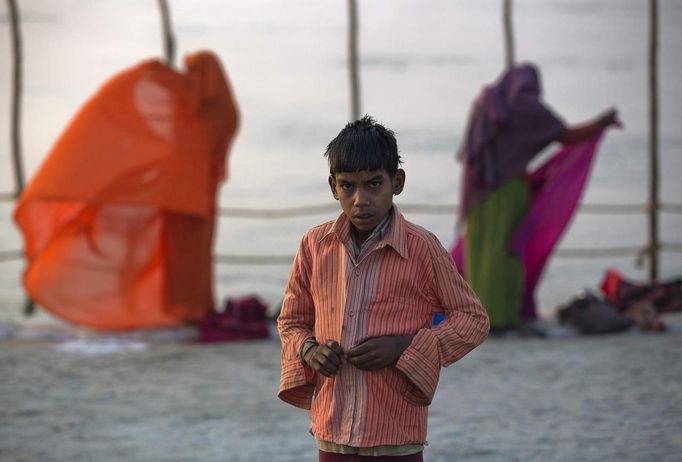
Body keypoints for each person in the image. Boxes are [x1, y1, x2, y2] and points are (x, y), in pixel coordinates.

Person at [277, 116, 489, 461]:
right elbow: (291, 322)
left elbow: (472, 319)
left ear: (397, 182)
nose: (360, 199)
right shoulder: (315, 246)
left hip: (396, 432)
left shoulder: (421, 247)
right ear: (333, 187)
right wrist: (310, 351)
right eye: (348, 186)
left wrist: (406, 347)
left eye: (374, 184)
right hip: (334, 430)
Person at [455, 62, 621, 333]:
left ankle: (478, 317)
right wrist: (601, 122)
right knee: (506, 253)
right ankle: (501, 318)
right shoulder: (526, 107)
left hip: (477, 191)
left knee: (480, 253)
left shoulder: (486, 102)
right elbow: (566, 135)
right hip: (508, 192)